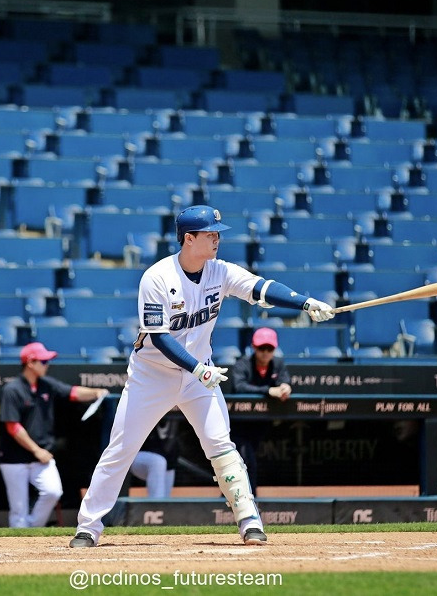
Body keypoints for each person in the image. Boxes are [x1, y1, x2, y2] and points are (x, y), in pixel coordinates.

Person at [69, 205, 334, 548]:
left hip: (199, 375)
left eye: (217, 233)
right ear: (189, 239)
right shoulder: (157, 277)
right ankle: (88, 526)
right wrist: (197, 367)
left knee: (221, 445)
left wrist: (304, 302)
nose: (217, 239)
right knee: (121, 449)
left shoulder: (219, 271)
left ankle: (249, 520)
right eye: (210, 234)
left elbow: (260, 287)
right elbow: (159, 337)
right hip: (154, 375)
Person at [0, 342, 108, 528]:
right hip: (15, 458)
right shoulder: (12, 389)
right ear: (31, 363)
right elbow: (12, 426)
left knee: (53, 491)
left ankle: (31, 528)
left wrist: (95, 392)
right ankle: (19, 539)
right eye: (43, 361)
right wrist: (36, 450)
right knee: (19, 509)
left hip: (42, 456)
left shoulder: (46, 384)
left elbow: (72, 393)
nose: (47, 364)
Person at [231, 327, 291, 495]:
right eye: (261, 348)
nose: (265, 353)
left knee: (248, 461)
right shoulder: (243, 364)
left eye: (269, 349)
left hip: (261, 423)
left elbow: (285, 381)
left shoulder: (278, 363)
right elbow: (239, 386)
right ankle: (248, 499)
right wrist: (268, 391)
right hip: (239, 424)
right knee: (244, 460)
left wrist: (286, 387)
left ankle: (236, 497)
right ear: (254, 347)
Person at [129, 416, 179, 498]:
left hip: (166, 462)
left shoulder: (175, 416)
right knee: (158, 461)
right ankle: (155, 505)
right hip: (134, 456)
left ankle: (161, 507)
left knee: (165, 498)